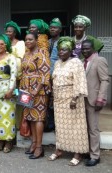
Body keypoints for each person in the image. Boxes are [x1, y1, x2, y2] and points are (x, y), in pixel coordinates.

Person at [48, 37, 89, 166]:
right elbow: (54, 80)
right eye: (59, 50)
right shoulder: (57, 63)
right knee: (60, 127)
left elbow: (80, 80)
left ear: (70, 50)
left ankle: (78, 153)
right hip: (59, 99)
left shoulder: (76, 62)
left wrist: (75, 98)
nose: (61, 52)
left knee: (76, 127)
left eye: (64, 50)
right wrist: (53, 96)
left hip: (72, 99)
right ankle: (59, 149)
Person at [20, 32, 51, 159]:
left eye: (30, 39)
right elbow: (23, 72)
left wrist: (36, 90)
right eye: (26, 39)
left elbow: (45, 73)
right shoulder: (26, 54)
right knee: (30, 116)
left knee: (38, 117)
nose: (28, 42)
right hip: (26, 90)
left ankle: (39, 147)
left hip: (38, 91)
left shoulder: (42, 53)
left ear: (36, 41)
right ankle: (33, 143)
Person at [82, 39, 109, 166]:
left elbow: (105, 80)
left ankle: (95, 156)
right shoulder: (82, 62)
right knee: (85, 128)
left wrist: (100, 99)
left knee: (93, 129)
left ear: (93, 48)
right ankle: (88, 151)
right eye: (83, 48)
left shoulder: (99, 60)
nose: (85, 50)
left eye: (87, 48)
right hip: (83, 100)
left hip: (94, 100)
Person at [45, 18, 63, 132]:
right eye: (51, 27)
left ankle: (59, 125)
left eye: (55, 27)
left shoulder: (62, 42)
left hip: (58, 75)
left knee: (57, 100)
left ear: (60, 30)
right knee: (48, 100)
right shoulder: (46, 41)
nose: (52, 29)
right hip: (46, 75)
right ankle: (50, 124)